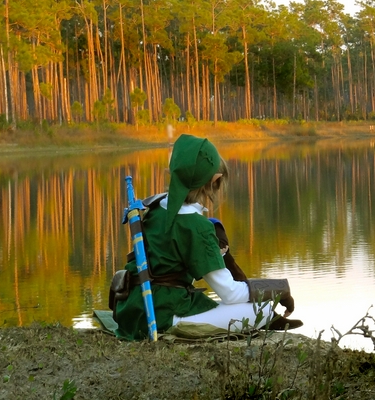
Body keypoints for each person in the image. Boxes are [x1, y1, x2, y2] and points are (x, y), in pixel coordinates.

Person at [113, 134, 299, 340]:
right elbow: (230, 293)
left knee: (232, 304)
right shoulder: (196, 226)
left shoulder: (154, 206)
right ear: (214, 180)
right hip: (160, 315)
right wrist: (279, 289)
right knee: (260, 310)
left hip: (131, 310)